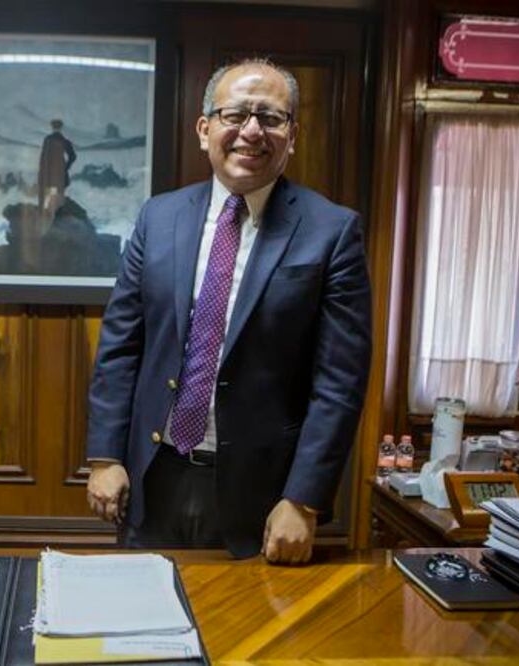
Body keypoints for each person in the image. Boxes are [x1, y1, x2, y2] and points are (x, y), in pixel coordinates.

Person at [85, 58, 372, 563]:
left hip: (263, 494)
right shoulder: (159, 217)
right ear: (205, 129)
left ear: (293, 135)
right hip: (153, 476)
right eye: (235, 114)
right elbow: (120, 346)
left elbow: (339, 383)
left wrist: (303, 500)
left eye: (271, 117)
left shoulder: (332, 232)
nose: (252, 131)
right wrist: (106, 456)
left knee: (245, 638)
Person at [37, 119, 76, 226]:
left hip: (49, 175)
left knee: (49, 199)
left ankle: (49, 223)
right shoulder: (64, 140)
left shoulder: (48, 140)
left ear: (52, 127)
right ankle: (56, 222)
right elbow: (73, 156)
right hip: (60, 176)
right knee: (58, 198)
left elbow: (43, 159)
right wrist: (65, 168)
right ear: (60, 128)